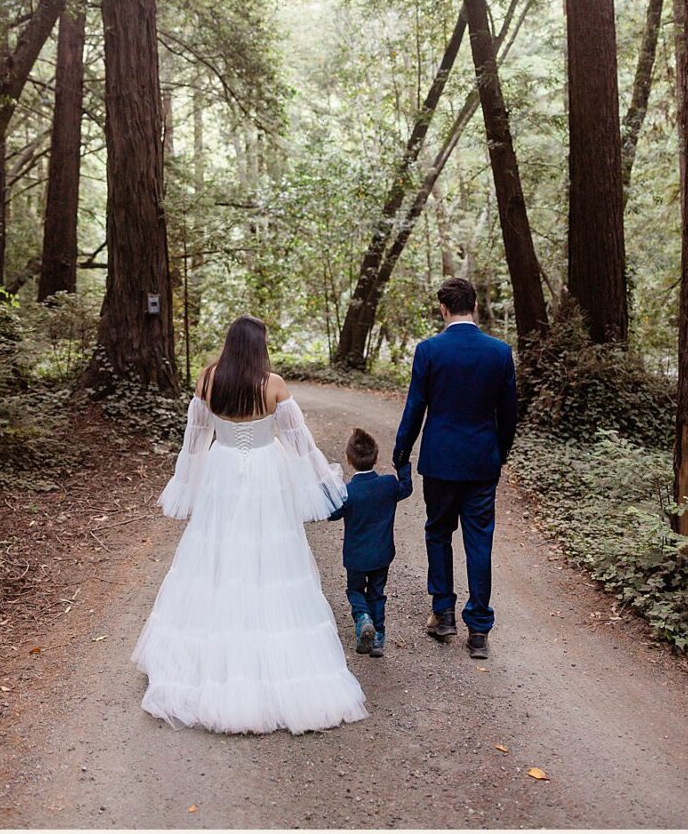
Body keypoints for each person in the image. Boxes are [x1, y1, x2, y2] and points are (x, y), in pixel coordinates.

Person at [133, 315, 367, 735]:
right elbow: (299, 443)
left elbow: (195, 438)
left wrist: (185, 483)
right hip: (264, 473)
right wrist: (325, 481)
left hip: (221, 470)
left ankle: (212, 652)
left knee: (219, 551)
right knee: (270, 554)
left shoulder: (207, 380)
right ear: (259, 346)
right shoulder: (273, 385)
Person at [392, 276, 517, 660]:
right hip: (482, 461)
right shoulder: (499, 352)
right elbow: (509, 413)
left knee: (438, 532)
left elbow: (415, 408)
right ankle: (479, 630)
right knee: (479, 541)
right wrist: (500, 453)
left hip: (441, 462)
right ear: (474, 306)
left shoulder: (429, 350)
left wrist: (401, 454)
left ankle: (444, 613)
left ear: (444, 309)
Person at [327, 427, 413, 658]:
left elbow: (331, 513)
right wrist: (402, 465)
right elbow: (407, 488)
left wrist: (326, 489)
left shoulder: (348, 492)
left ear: (349, 461)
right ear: (376, 458)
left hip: (356, 556)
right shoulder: (388, 485)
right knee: (377, 592)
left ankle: (363, 617)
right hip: (382, 554)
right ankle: (377, 638)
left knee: (355, 589)